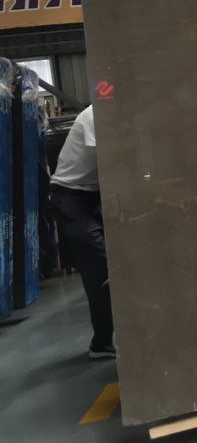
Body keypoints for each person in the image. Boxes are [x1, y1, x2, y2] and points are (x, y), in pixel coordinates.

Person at [50, 105, 115, 359]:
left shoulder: (111, 113)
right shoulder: (94, 115)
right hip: (70, 199)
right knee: (104, 267)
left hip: (91, 197)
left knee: (104, 270)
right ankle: (103, 342)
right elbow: (113, 159)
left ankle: (104, 341)